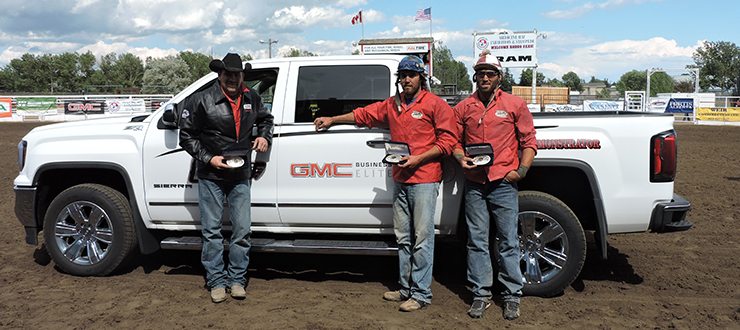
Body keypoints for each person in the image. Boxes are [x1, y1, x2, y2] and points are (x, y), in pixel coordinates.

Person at [313, 55, 457, 312]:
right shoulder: (393, 105)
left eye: (411, 75)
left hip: (424, 179)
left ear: (421, 78)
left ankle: (421, 293)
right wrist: (333, 120)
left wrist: (418, 159)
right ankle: (405, 288)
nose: (406, 80)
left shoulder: (435, 104)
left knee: (422, 237)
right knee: (403, 237)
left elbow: (447, 142)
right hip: (400, 178)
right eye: (402, 76)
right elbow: (363, 115)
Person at [179, 53, 274, 303]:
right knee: (212, 231)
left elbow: (266, 119)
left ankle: (237, 280)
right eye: (228, 74)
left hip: (240, 173)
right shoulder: (201, 99)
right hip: (211, 173)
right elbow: (186, 136)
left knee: (242, 230)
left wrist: (264, 136)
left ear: (243, 75)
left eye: (237, 74)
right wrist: (209, 158)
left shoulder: (251, 97)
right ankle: (216, 281)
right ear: (220, 74)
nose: (232, 78)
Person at [452, 51, 537, 320]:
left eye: (490, 73)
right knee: (476, 241)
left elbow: (529, 141)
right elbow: (452, 140)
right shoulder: (464, 107)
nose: (485, 77)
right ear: (475, 77)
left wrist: (521, 170)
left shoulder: (514, 104)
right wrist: (459, 157)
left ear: (499, 77)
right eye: (481, 73)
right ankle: (481, 294)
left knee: (508, 241)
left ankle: (512, 295)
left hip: (502, 182)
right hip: (475, 183)